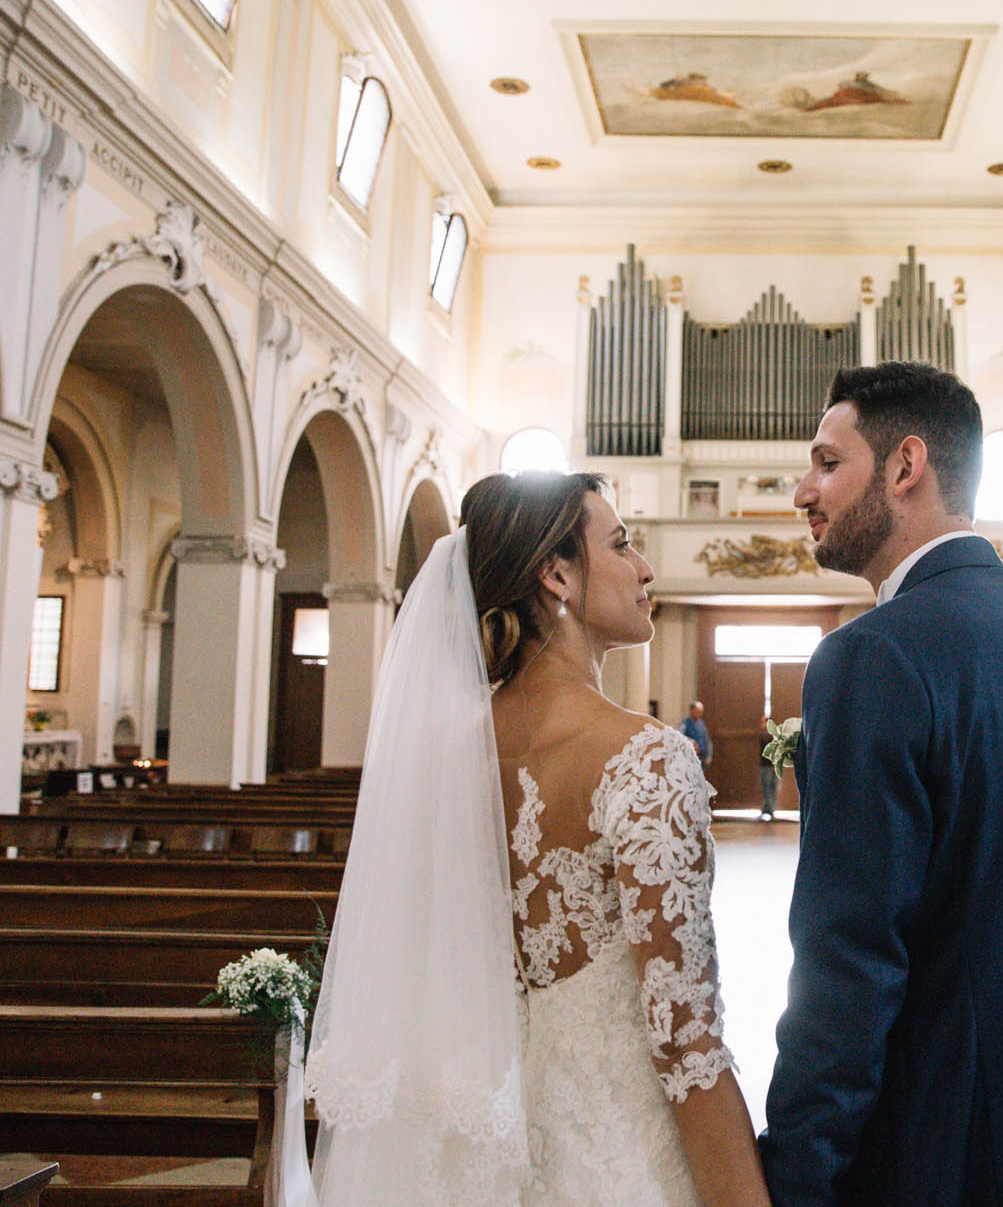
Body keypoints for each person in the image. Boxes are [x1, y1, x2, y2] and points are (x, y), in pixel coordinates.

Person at [306, 471, 770, 1206]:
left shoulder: (442, 756)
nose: (646, 567)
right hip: (620, 1165)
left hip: (482, 1159)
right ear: (556, 574)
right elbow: (686, 1043)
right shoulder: (647, 761)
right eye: (621, 544)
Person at [763, 363, 1003, 1205]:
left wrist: (795, 1174)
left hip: (947, 1152)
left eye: (829, 462)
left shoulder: (872, 655)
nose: (802, 490)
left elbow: (848, 965)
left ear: (906, 466)